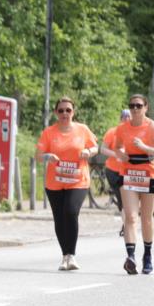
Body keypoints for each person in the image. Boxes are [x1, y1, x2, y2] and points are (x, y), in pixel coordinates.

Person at [35, 97, 98, 271]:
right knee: (59, 218)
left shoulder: (82, 129)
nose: (65, 114)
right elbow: (38, 155)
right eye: (61, 110)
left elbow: (95, 147)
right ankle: (65, 257)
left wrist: (88, 151)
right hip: (54, 182)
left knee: (70, 212)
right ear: (56, 113)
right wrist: (48, 156)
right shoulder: (49, 132)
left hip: (78, 180)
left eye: (68, 110)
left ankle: (72, 255)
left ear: (73, 112)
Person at [114, 93, 154, 274]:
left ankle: (147, 254)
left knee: (146, 218)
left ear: (146, 107)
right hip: (129, 172)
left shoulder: (153, 127)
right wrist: (120, 153)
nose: (135, 109)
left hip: (149, 173)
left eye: (138, 105)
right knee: (130, 217)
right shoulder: (122, 128)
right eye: (132, 106)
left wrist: (145, 148)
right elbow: (117, 147)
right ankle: (130, 256)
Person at [99, 108, 131, 236]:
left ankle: (127, 225)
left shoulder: (133, 134)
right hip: (113, 170)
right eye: (124, 118)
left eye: (128, 118)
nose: (126, 120)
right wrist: (116, 154)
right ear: (120, 119)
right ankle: (126, 226)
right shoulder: (112, 132)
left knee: (128, 200)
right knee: (123, 198)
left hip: (129, 172)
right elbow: (103, 149)